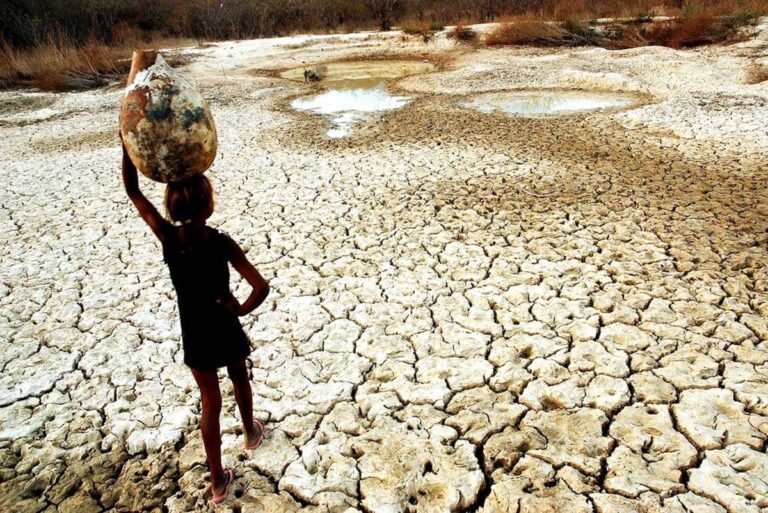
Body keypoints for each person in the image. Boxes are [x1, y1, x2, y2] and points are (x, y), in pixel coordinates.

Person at [120, 137, 270, 503]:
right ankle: (251, 432)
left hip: (195, 330)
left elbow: (133, 192)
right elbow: (260, 286)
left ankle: (217, 481)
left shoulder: (168, 238)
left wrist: (127, 145)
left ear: (171, 207)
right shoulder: (221, 241)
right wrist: (240, 309)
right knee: (239, 375)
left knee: (210, 401)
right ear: (209, 204)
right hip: (224, 322)